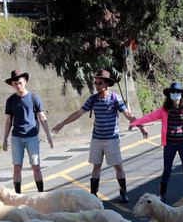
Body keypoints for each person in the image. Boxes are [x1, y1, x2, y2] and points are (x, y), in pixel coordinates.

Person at [50, 69, 143, 202]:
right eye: (96, 83)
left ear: (106, 84)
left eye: (100, 83)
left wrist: (141, 126)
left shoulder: (115, 99)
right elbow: (78, 113)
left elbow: (128, 114)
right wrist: (62, 124)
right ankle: (93, 194)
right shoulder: (93, 99)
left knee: (118, 166)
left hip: (112, 139)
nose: (97, 85)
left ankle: (123, 193)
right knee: (96, 166)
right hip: (97, 139)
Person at [1, 69, 54, 193]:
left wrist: (48, 135)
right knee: (17, 167)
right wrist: (4, 139)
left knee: (36, 166)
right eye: (15, 84)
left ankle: (41, 194)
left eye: (20, 82)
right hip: (16, 137)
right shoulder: (10, 100)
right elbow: (8, 121)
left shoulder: (34, 98)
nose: (18, 86)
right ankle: (18, 196)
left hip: (32, 136)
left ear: (25, 81)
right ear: (12, 85)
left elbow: (42, 117)